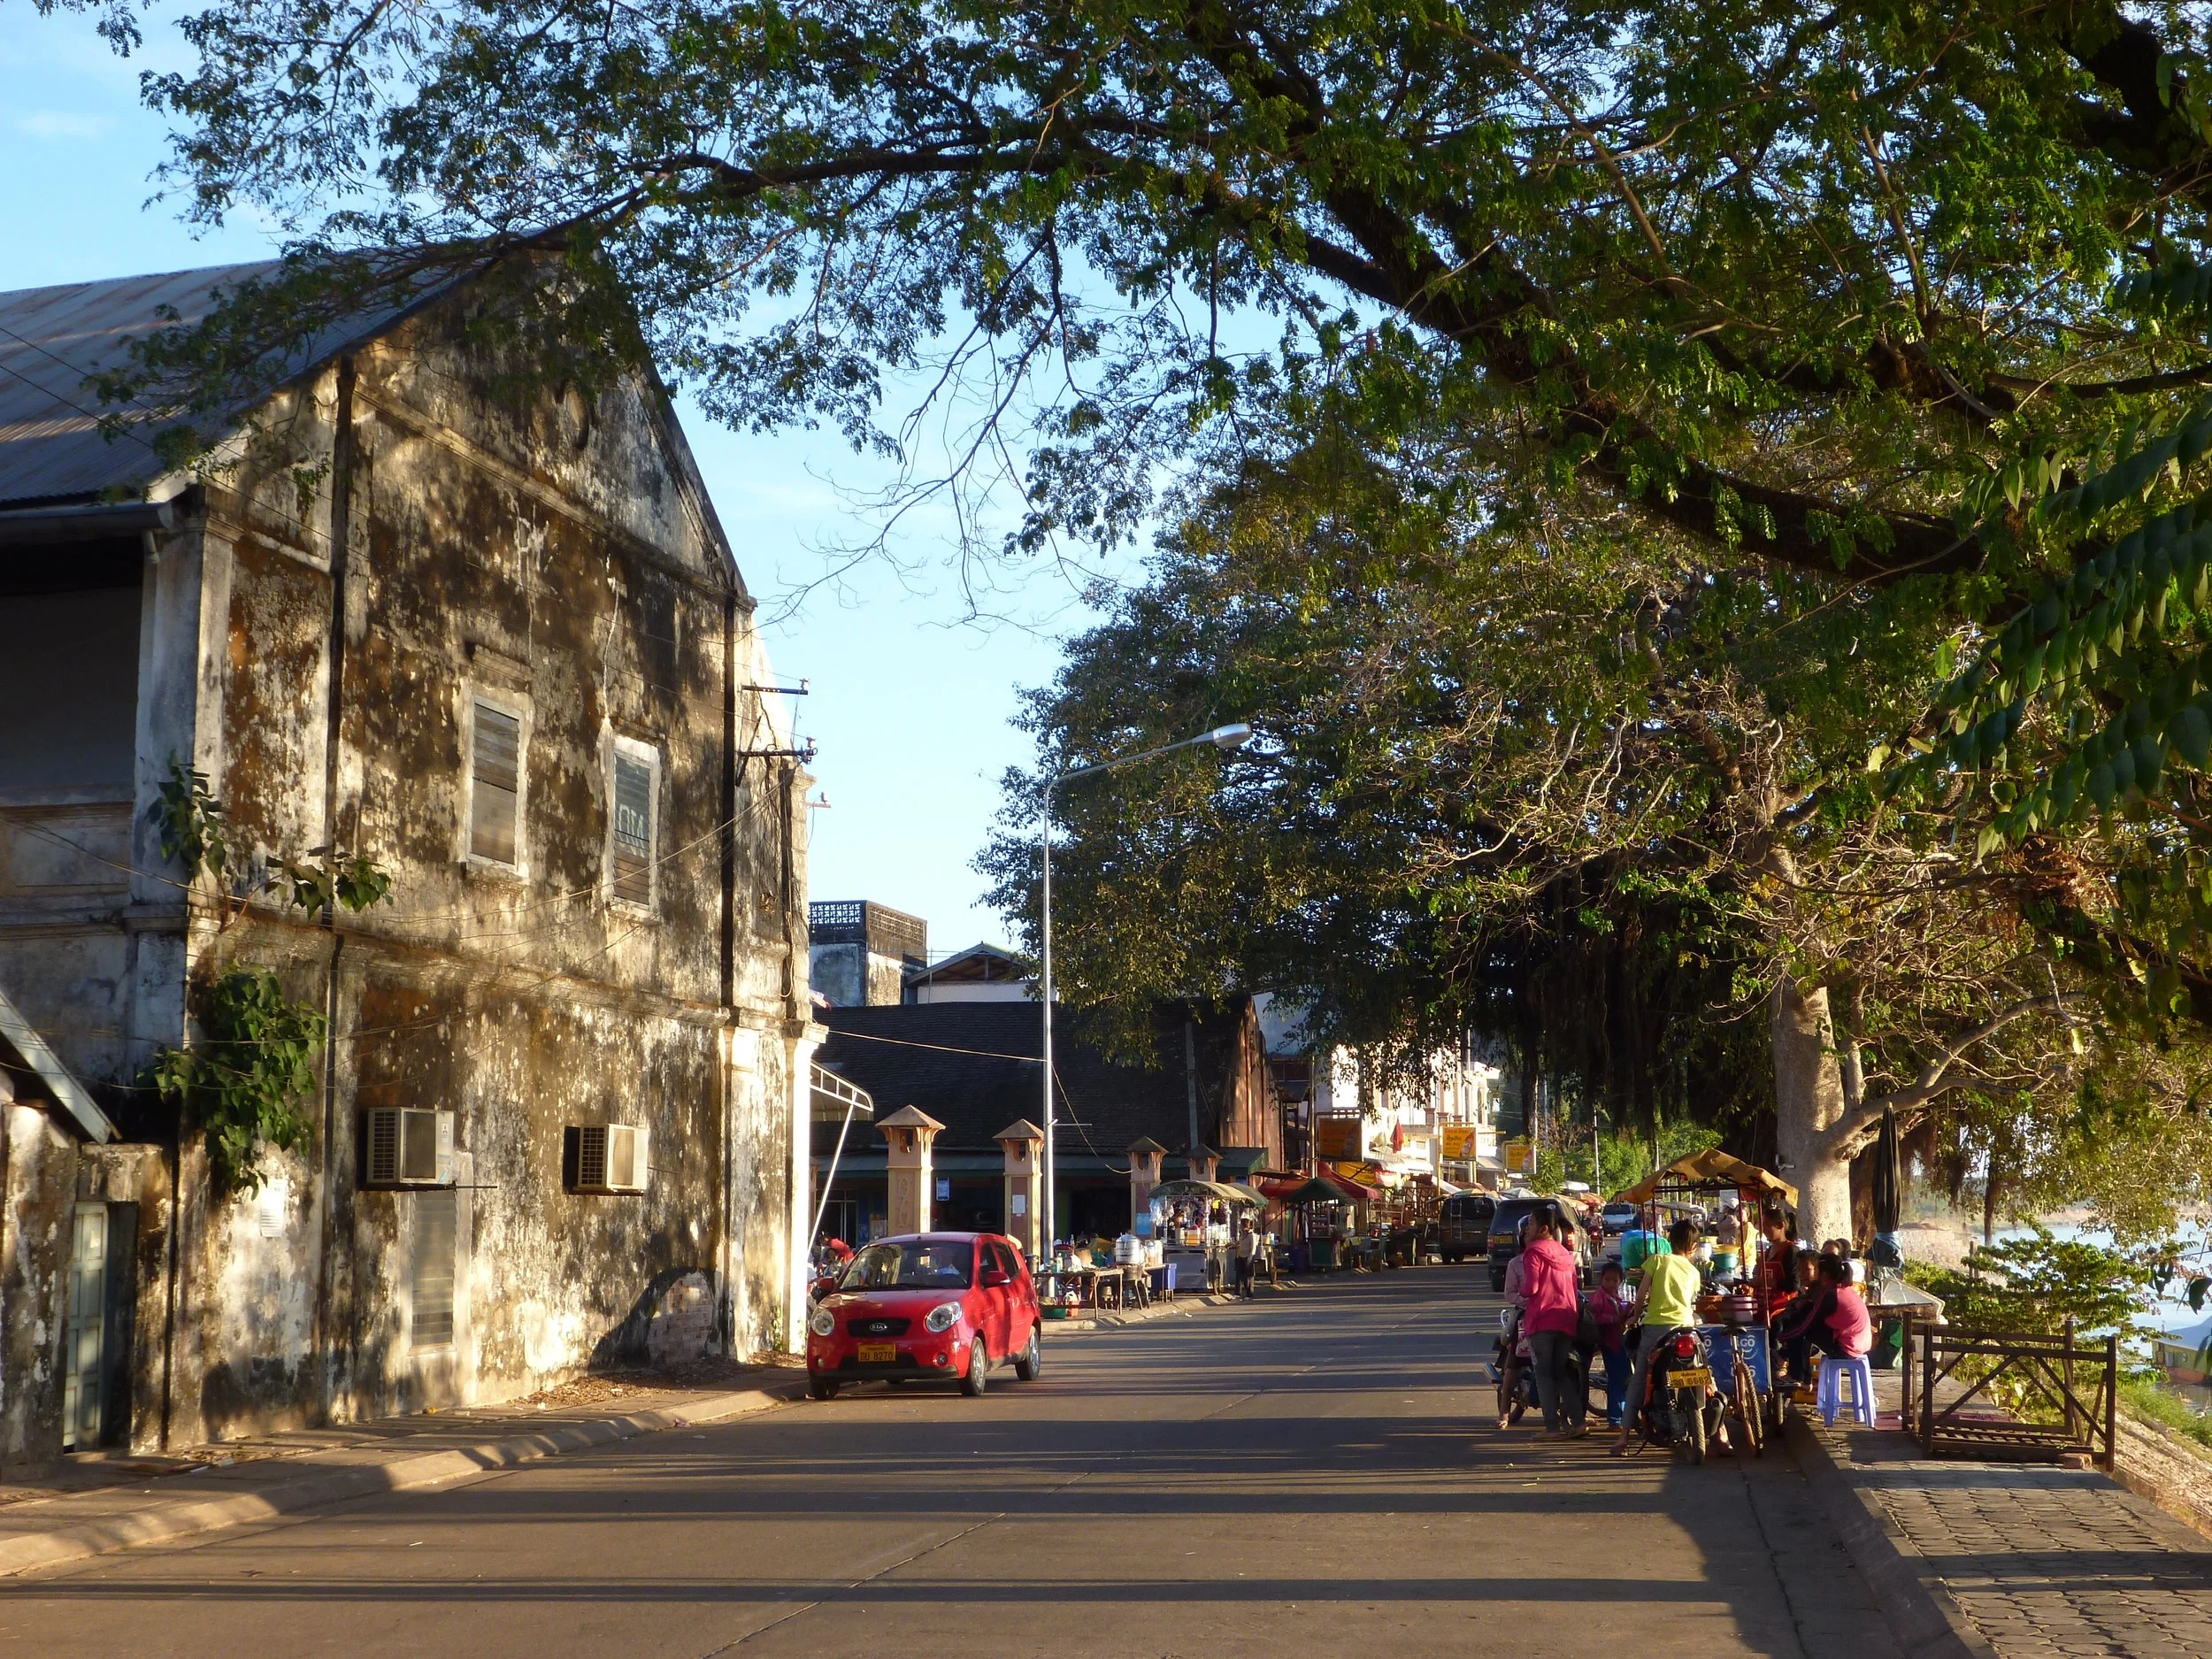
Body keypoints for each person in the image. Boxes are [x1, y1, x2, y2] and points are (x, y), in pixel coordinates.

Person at [1612, 1217, 1705, 1455]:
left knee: (1640, 1380)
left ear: (1669, 1241)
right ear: (1693, 1247)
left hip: (1656, 1330)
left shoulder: (1657, 1260)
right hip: (1686, 1329)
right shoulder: (1694, 1272)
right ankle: (1722, 1436)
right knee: (1703, 1376)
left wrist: (1633, 1317)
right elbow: (1691, 1302)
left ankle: (1623, 1438)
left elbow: (1641, 1295)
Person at [1520, 1210, 1588, 1439]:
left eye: (1530, 1223)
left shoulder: (1534, 1252)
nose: (1527, 1229)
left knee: (1543, 1374)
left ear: (1544, 1229)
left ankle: (1552, 1427)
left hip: (1542, 1320)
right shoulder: (1565, 1253)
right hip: (1566, 1320)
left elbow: (1532, 1288)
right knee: (1560, 1373)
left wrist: (1518, 1293)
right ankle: (1578, 1422)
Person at [1585, 1261, 1633, 1428]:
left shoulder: (1615, 1297)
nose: (1611, 1283)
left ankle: (1623, 1415)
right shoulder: (1599, 1298)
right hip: (1610, 1343)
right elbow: (1594, 1318)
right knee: (1617, 1381)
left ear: (1620, 1281)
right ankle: (1615, 1418)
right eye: (1607, 1280)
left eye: (1615, 1280)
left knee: (1624, 1379)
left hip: (1618, 1342)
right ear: (1601, 1280)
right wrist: (1614, 1319)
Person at [1233, 1217, 1261, 1299]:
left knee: (1248, 1277)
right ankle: (1237, 1294)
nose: (1240, 1227)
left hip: (1248, 1257)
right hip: (1241, 1257)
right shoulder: (1242, 1235)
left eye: (1241, 1225)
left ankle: (1249, 1294)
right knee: (1238, 1276)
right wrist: (1232, 1244)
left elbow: (1253, 1248)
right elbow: (1240, 1243)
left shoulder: (1251, 1235)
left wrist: (1250, 1258)